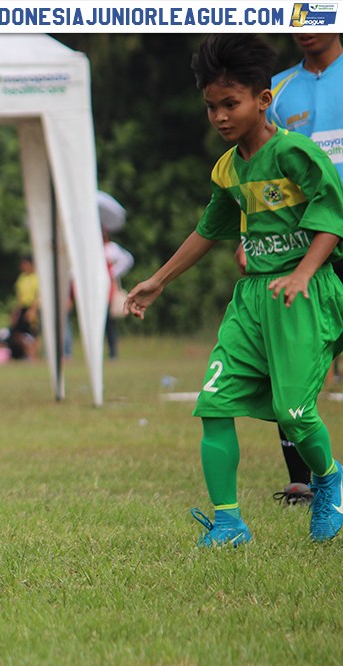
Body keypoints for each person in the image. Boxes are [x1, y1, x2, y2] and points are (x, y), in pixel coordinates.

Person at [125, 34, 343, 547]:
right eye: (211, 107)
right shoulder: (227, 169)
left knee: (294, 412)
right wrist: (157, 281)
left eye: (231, 104)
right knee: (215, 404)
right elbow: (209, 229)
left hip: (303, 296)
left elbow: (332, 219)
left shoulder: (295, 153)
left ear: (263, 100)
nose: (220, 116)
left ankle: (329, 479)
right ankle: (228, 523)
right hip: (252, 300)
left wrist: (303, 272)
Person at [265, 33, 343, 501]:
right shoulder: (275, 90)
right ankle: (303, 478)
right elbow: (259, 166)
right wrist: (249, 234)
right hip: (298, 245)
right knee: (290, 357)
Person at [103, 230, 135, 360]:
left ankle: (112, 352)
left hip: (109, 289)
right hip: (99, 290)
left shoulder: (112, 248)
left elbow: (127, 259)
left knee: (110, 323)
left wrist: (113, 272)